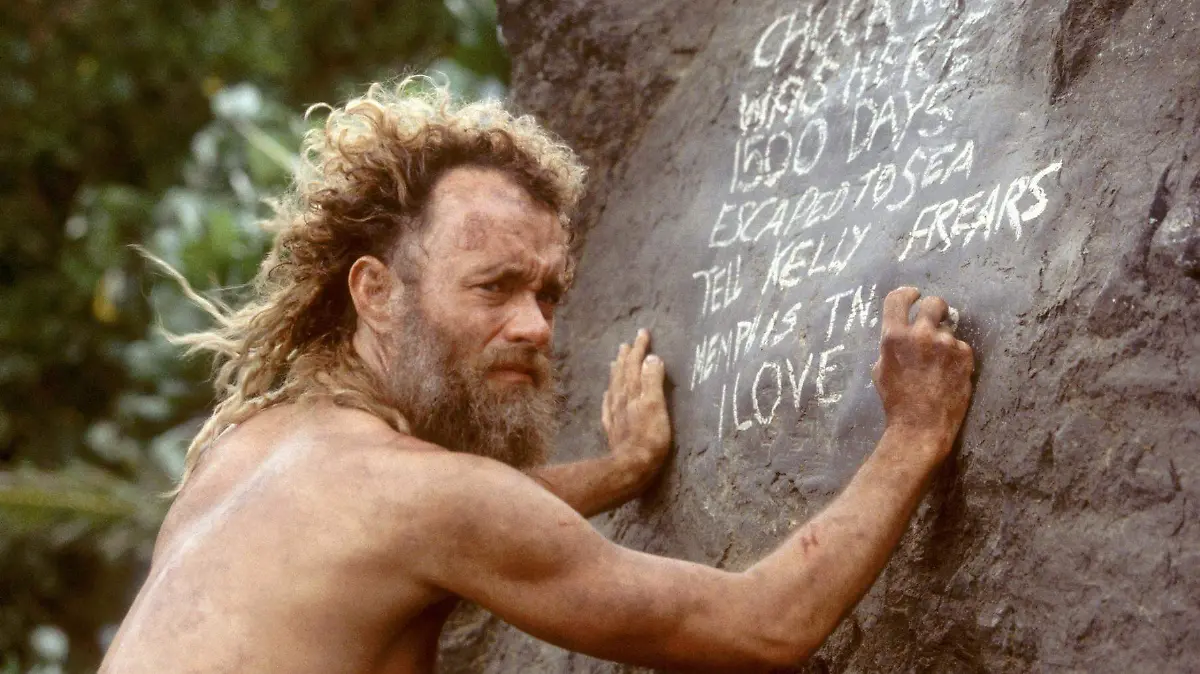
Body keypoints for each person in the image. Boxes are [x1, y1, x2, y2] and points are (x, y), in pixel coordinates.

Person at [99, 79, 975, 673]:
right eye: (493, 287)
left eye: (548, 292)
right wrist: (912, 433)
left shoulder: (251, 451)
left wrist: (622, 472)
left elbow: (456, 519)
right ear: (376, 291)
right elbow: (764, 625)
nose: (535, 326)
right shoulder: (426, 500)